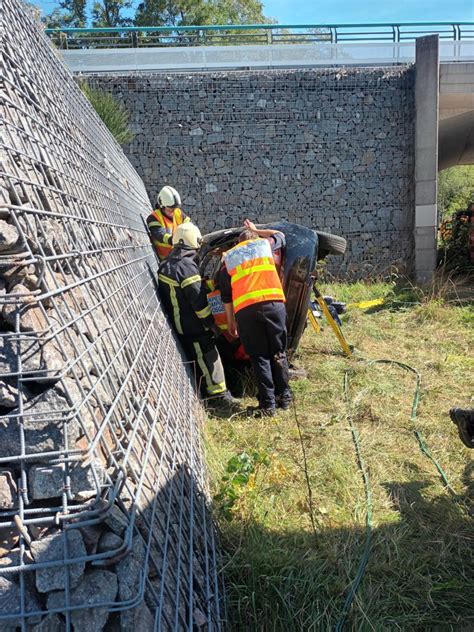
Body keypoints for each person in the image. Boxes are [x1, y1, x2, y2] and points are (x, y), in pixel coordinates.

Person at [158, 222, 238, 411]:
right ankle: (219, 397)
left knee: (201, 357)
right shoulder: (186, 267)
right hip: (192, 325)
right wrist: (211, 324)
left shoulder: (168, 263)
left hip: (181, 322)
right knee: (208, 356)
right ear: (194, 242)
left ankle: (212, 392)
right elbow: (198, 303)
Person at [219, 219, 291, 417]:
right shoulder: (265, 245)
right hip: (274, 305)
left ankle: (268, 406)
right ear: (255, 238)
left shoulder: (229, 259)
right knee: (279, 352)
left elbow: (226, 297)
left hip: (246, 311)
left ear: (238, 242)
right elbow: (280, 235)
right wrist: (258, 230)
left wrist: (230, 323)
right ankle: (284, 398)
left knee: (259, 357)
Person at [147, 185, 190, 261]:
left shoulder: (178, 213)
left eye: (175, 208)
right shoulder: (154, 218)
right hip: (165, 261)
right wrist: (176, 240)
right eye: (170, 209)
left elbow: (190, 226)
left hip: (180, 258)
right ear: (162, 206)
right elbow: (161, 235)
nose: (173, 211)